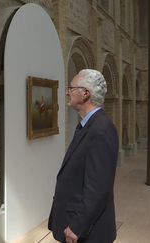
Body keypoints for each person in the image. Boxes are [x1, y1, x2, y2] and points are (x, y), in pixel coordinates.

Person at [48, 69, 119, 243]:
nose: (67, 92)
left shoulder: (101, 129)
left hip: (87, 232)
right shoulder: (89, 126)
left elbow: (98, 188)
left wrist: (77, 226)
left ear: (85, 93)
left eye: (71, 88)